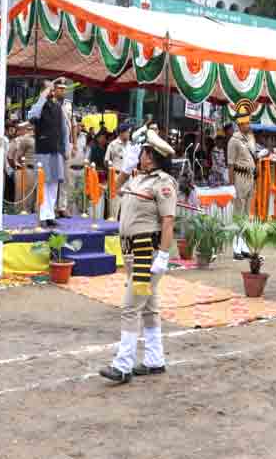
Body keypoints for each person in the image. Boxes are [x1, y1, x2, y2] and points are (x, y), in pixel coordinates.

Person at [99, 129, 177, 384]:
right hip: (132, 250)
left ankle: (123, 365)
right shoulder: (138, 178)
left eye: (143, 151)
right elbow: (114, 189)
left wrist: (163, 256)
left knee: (130, 307)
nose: (140, 154)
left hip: (146, 250)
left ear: (152, 157)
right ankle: (155, 359)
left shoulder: (163, 183)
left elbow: (167, 222)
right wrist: (125, 169)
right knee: (149, 308)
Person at [227, 99, 267, 259]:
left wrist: (260, 156)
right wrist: (231, 185)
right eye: (245, 123)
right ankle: (235, 247)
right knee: (238, 213)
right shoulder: (233, 141)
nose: (248, 126)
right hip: (239, 177)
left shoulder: (250, 139)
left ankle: (243, 244)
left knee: (246, 214)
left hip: (250, 178)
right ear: (239, 125)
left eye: (248, 123)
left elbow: (254, 156)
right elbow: (230, 165)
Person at [27, 78, 70, 228]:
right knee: (44, 183)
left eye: (52, 88)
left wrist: (66, 149)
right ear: (42, 90)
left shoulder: (58, 106)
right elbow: (31, 116)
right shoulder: (39, 105)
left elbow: (64, 129)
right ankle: (43, 215)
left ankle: (50, 214)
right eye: (49, 88)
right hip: (43, 149)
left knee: (54, 183)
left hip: (56, 149)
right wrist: (41, 97)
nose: (52, 90)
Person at [10, 121, 37, 214]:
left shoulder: (42, 138)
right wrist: (18, 167)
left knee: (37, 198)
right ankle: (22, 216)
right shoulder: (26, 139)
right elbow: (18, 155)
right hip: (28, 169)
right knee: (26, 197)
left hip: (40, 170)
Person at [105, 123, 131, 216]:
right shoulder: (113, 144)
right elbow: (107, 161)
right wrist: (111, 171)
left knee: (126, 206)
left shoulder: (130, 145)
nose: (129, 134)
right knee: (114, 205)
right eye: (127, 132)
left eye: (129, 132)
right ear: (121, 133)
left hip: (128, 178)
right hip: (116, 175)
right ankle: (112, 225)